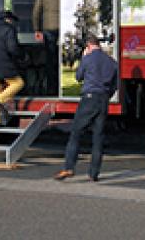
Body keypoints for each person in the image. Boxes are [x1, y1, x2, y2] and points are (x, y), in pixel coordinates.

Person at [55, 34, 118, 182]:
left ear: (88, 46)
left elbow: (78, 76)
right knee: (98, 137)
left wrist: (83, 58)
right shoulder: (111, 62)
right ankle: (94, 173)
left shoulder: (87, 58)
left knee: (76, 132)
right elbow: (115, 85)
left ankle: (69, 167)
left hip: (89, 97)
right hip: (103, 99)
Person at [32, 0, 61, 94]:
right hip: (63, 29)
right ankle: (61, 87)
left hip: (48, 29)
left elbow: (36, 12)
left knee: (50, 59)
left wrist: (37, 30)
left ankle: (51, 88)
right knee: (62, 58)